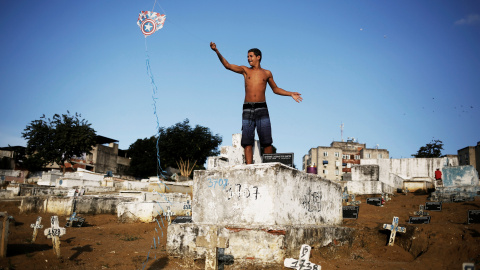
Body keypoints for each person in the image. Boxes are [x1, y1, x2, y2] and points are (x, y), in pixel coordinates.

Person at [210, 42, 302, 164]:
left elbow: (275, 89)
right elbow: (227, 65)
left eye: (251, 56)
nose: (248, 59)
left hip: (261, 107)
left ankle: (268, 166)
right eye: (247, 56)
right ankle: (249, 167)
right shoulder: (245, 70)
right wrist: (217, 51)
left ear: (258, 57)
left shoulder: (267, 73)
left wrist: (290, 93)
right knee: (247, 140)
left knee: (267, 141)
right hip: (247, 108)